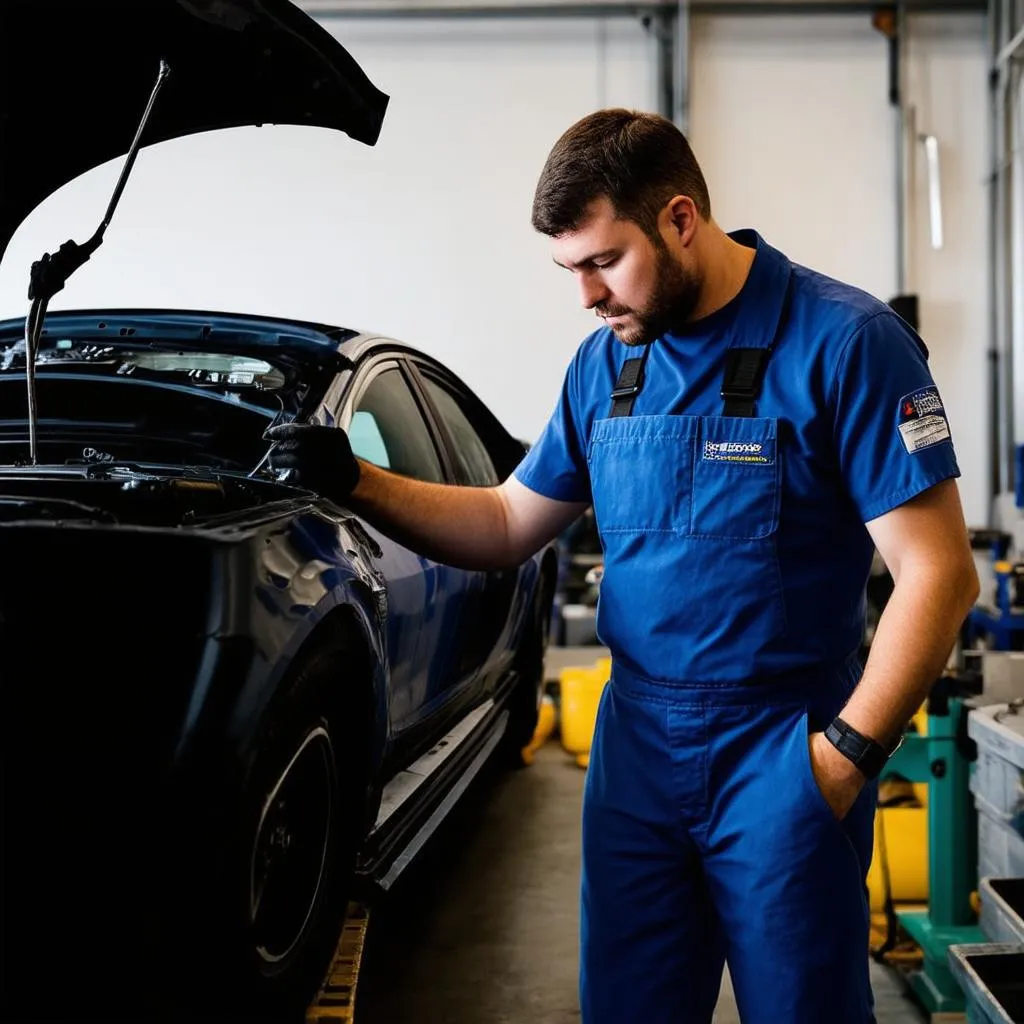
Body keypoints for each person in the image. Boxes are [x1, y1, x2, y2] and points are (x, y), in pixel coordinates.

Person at [267, 109, 980, 1023]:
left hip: (783, 749)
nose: (588, 298)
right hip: (638, 751)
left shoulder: (846, 342)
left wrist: (838, 762)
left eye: (604, 262)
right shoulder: (605, 368)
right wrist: (357, 481)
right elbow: (504, 523)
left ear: (681, 219)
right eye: (571, 271)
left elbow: (939, 576)